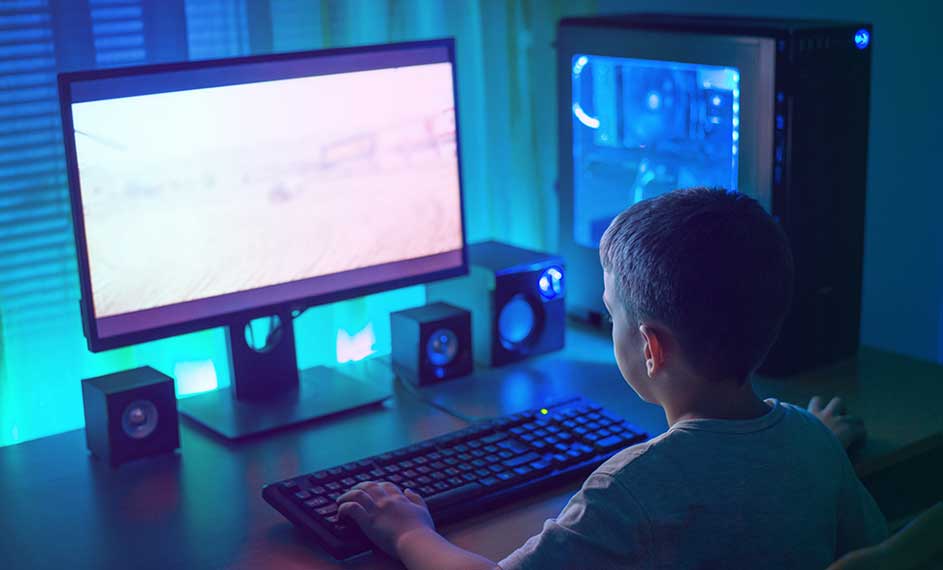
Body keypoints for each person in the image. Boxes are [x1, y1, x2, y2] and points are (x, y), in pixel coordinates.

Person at [335, 188, 888, 569]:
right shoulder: (811, 441)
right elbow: (868, 549)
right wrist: (809, 447)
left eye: (610, 314)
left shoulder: (632, 489)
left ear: (650, 347)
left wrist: (409, 532)